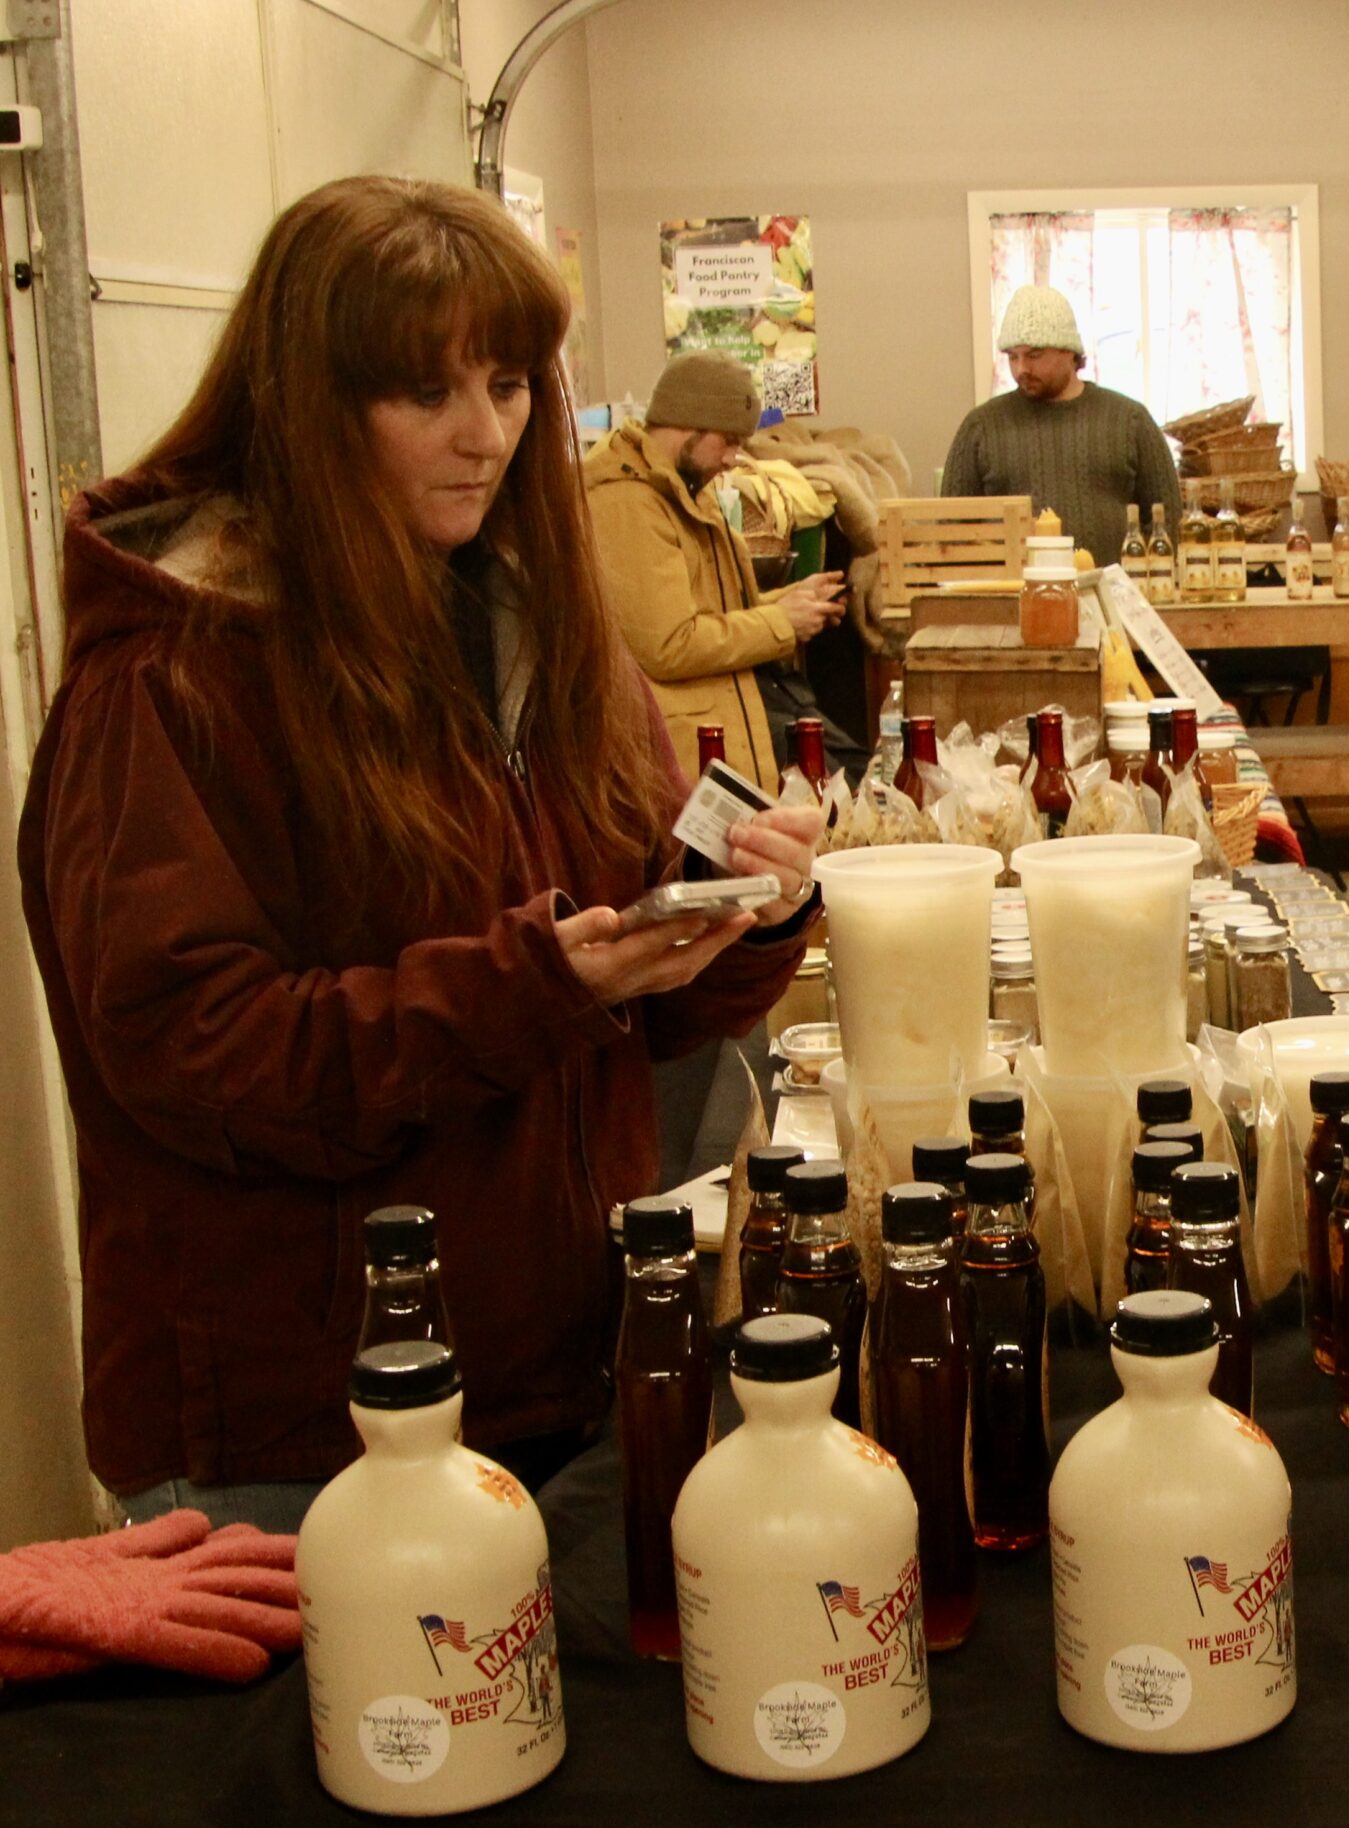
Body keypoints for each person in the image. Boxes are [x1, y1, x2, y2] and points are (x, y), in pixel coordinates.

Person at [17, 176, 825, 1534]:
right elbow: (191, 1053)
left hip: (556, 1372)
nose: (485, 437)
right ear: (308, 404)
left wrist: (738, 913)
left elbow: (638, 998)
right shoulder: (174, 679)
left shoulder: (539, 634)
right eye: (423, 395)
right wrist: (527, 984)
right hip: (301, 1434)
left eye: (509, 385)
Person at [584, 349, 847, 795]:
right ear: (687, 423)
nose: (733, 459)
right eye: (727, 441)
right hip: (683, 749)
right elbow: (668, 644)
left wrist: (783, 603)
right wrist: (782, 623)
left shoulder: (682, 487)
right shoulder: (627, 503)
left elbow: (706, 611)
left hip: (722, 720)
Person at [940, 283, 1182, 563]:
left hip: (1115, 599)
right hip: (1011, 601)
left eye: (1034, 355)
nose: (1021, 369)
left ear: (1069, 351)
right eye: (1012, 357)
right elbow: (952, 535)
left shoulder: (1129, 421)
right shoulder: (981, 427)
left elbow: (1167, 522)